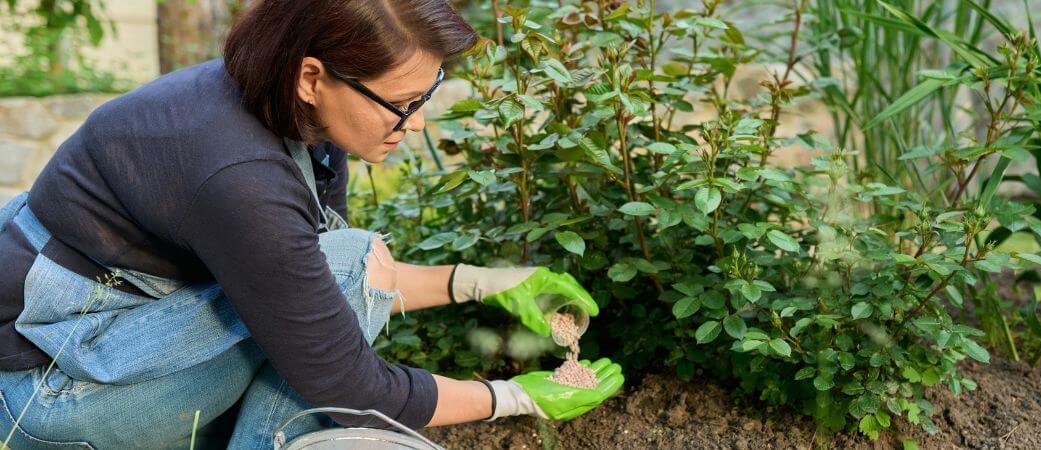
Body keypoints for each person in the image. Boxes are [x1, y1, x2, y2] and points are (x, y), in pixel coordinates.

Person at [0, 1, 623, 448]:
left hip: (116, 345)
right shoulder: (236, 172)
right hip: (53, 399)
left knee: (349, 261)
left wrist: (486, 281)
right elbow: (350, 382)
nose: (419, 124)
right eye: (402, 105)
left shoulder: (290, 116)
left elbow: (308, 292)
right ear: (312, 77)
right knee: (350, 270)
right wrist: (515, 398)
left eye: (428, 94)